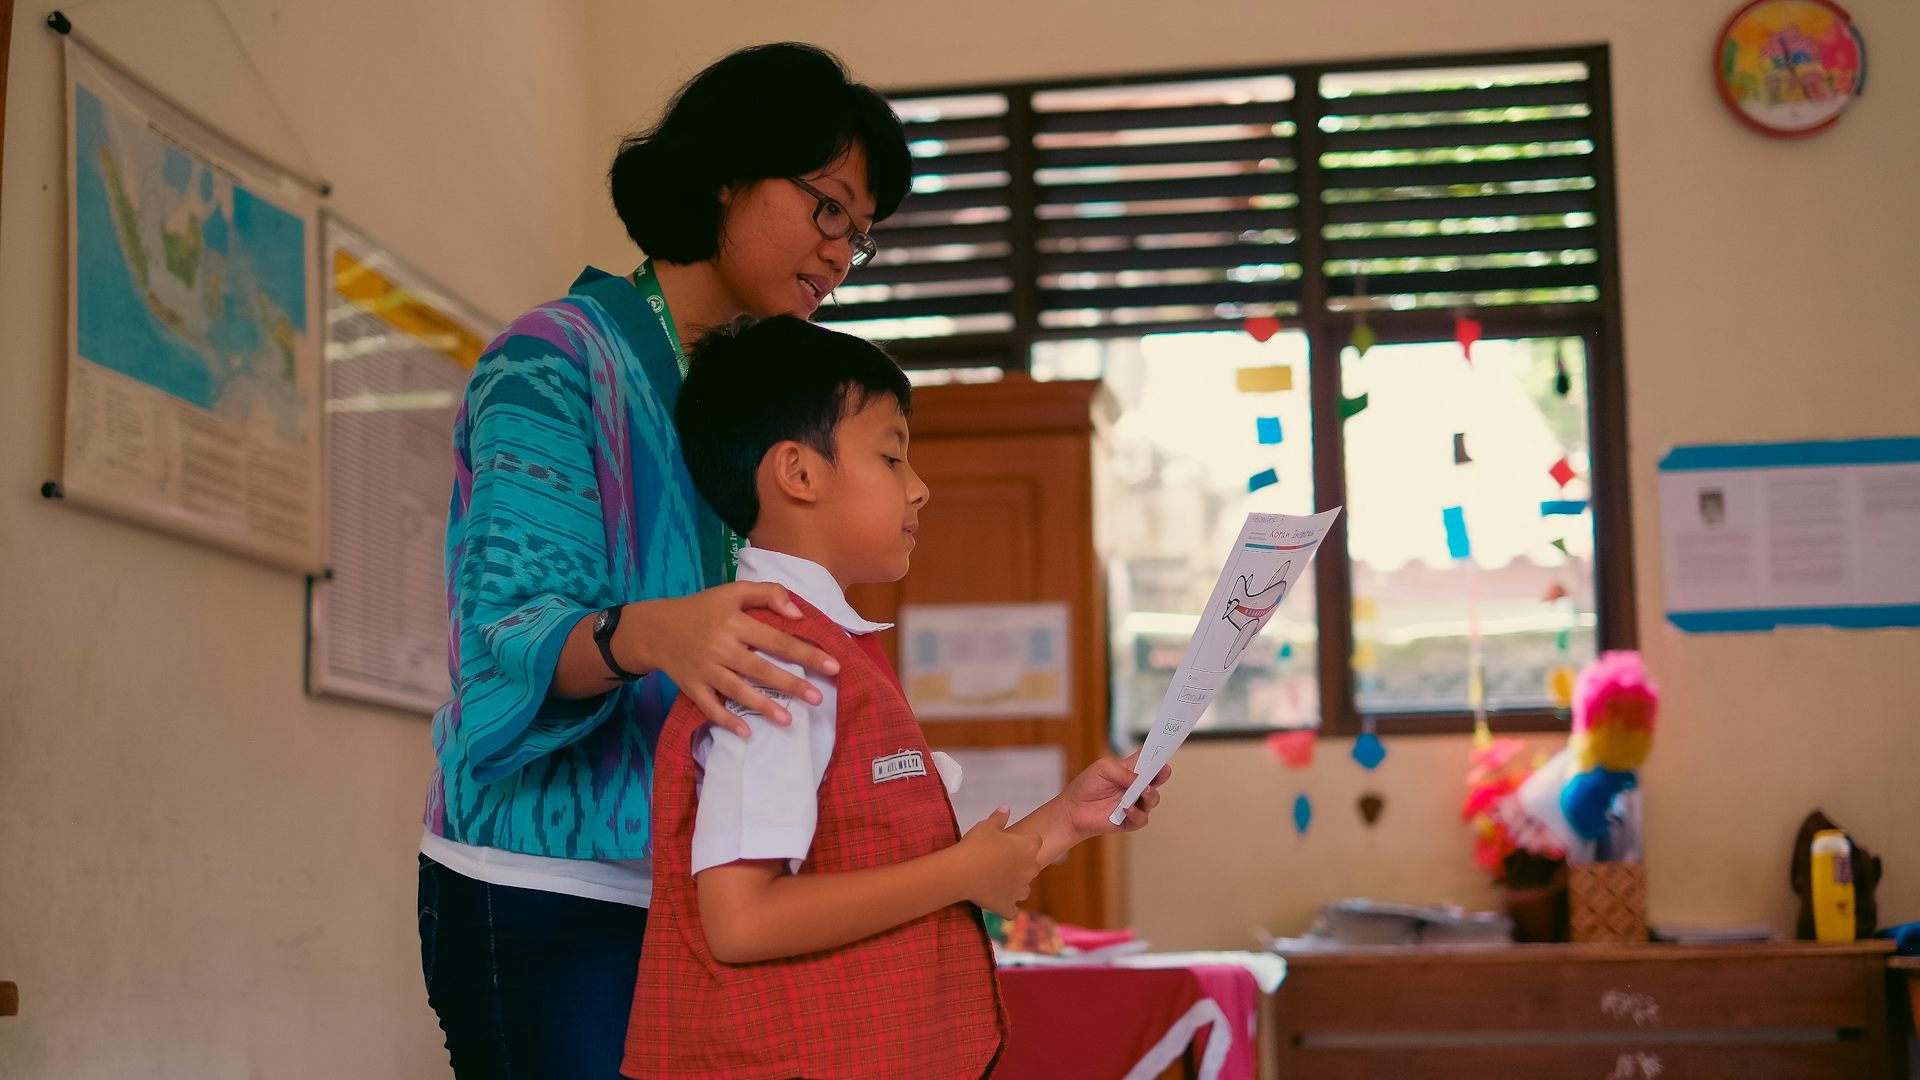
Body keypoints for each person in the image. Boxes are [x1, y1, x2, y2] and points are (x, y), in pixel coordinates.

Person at [415, 43, 912, 1078]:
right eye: (828, 209)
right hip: (546, 885)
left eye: (858, 238)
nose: (837, 254)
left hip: (698, 885)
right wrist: (661, 630)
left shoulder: (750, 398)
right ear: (728, 173)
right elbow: (508, 630)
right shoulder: (554, 357)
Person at [622, 317, 1172, 1080]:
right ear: (798, 474)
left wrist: (1065, 822)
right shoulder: (778, 658)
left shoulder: (828, 648)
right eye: (891, 455)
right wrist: (959, 874)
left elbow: (895, 863)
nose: (919, 486)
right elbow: (741, 920)